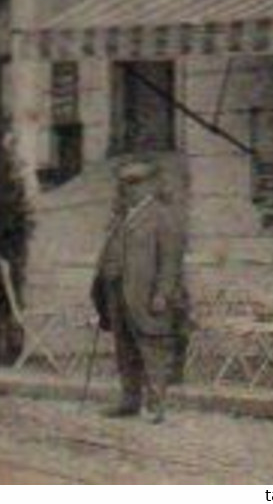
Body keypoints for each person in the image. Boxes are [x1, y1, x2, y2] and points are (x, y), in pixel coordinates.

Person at [92, 160, 185, 423]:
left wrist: (162, 294)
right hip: (117, 292)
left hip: (146, 296)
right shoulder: (122, 216)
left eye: (136, 183)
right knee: (124, 348)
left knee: (152, 347)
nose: (129, 189)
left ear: (151, 185)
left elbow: (170, 261)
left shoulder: (163, 216)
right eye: (125, 184)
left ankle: (156, 406)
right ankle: (129, 400)